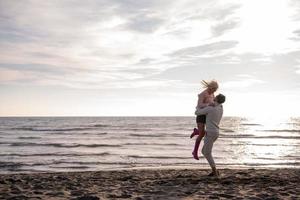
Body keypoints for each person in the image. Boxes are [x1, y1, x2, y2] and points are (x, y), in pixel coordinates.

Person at [195, 94, 225, 177]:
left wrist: (199, 106)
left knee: (207, 153)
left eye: (216, 96)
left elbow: (197, 112)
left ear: (217, 98)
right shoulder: (221, 108)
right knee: (204, 151)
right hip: (216, 132)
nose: (214, 97)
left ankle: (215, 172)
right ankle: (214, 170)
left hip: (210, 132)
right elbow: (218, 104)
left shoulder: (211, 108)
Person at [191, 80, 219, 160]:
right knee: (202, 134)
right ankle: (195, 152)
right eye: (213, 90)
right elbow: (199, 105)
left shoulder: (212, 94)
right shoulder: (202, 94)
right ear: (210, 87)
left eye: (215, 91)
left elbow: (213, 103)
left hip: (207, 116)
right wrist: (208, 104)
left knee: (205, 132)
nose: (213, 92)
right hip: (200, 115)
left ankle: (197, 131)